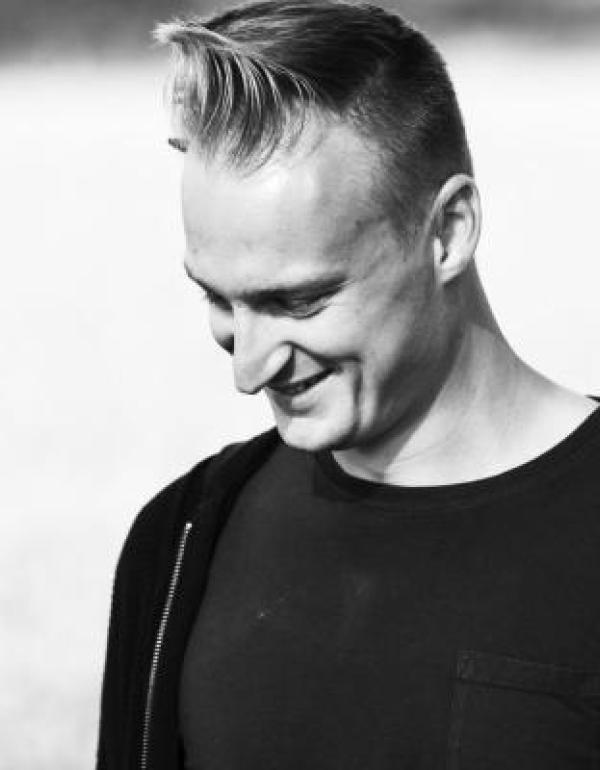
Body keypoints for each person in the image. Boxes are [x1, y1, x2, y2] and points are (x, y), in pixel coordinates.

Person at [96, 1, 600, 768]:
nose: (248, 366)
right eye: (219, 298)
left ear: (448, 231)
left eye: (297, 300)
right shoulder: (181, 543)